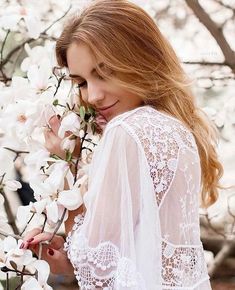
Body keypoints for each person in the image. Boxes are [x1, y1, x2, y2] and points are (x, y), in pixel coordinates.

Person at [22, 0, 223, 289]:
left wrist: (69, 164)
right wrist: (70, 257)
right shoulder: (179, 132)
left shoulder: (127, 129)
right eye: (81, 83)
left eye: (103, 73)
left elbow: (95, 266)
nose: (92, 96)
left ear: (140, 59)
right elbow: (126, 259)